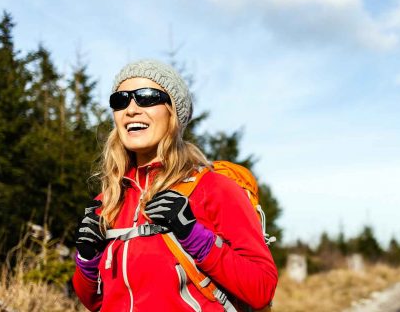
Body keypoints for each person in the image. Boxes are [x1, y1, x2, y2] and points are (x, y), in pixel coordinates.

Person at [72, 59, 278, 312]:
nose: (131, 109)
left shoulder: (214, 189)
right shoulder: (107, 203)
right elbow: (94, 302)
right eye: (120, 100)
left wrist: (194, 236)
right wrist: (86, 261)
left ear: (174, 113)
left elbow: (262, 288)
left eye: (147, 97)